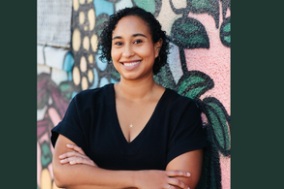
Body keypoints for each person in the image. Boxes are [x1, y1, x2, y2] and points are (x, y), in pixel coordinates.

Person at [51, 7, 206, 189]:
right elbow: (61, 175)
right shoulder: (85, 105)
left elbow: (179, 186)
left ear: (156, 47)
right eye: (118, 43)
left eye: (138, 41)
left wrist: (93, 177)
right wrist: (138, 179)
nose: (127, 53)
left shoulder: (181, 112)